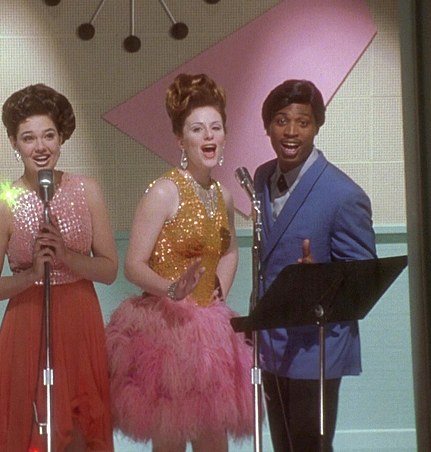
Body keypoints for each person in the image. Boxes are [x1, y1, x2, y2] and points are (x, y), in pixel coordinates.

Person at [105, 73, 253, 452]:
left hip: (210, 333)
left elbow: (230, 250)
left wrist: (218, 291)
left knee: (213, 439)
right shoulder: (164, 191)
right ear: (180, 139)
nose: (208, 136)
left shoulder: (223, 195)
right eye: (197, 129)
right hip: (167, 332)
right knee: (170, 438)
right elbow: (134, 265)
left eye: (215, 128)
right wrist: (173, 290)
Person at [0, 83, 118, 451]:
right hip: (27, 324)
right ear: (14, 142)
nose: (40, 147)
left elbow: (109, 270)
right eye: (29, 138)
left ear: (61, 137)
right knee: (31, 431)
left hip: (79, 321)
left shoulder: (87, 190)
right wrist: (31, 276)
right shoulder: (3, 204)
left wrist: (67, 257)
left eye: (48, 135)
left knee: (82, 429)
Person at [253, 79, 377, 452]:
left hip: (316, 347)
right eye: (281, 121)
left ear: (317, 126)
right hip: (272, 342)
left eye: (302, 122)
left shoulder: (343, 195)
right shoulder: (261, 178)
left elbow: (364, 281)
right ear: (268, 127)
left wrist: (318, 279)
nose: (291, 132)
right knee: (283, 446)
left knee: (311, 447)